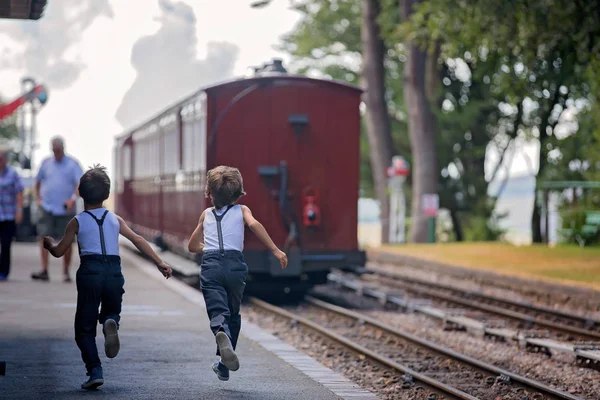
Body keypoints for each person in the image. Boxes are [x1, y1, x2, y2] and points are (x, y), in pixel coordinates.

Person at [43, 164, 173, 390]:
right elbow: (138, 240)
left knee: (84, 328)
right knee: (111, 309)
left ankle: (94, 370)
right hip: (114, 272)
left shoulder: (77, 221)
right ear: (107, 194)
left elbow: (59, 251)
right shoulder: (115, 219)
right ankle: (111, 320)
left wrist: (49, 244)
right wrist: (160, 262)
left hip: (90, 272)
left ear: (81, 193)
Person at [187, 165, 288, 381]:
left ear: (210, 192)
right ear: (238, 191)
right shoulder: (243, 211)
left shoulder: (206, 215)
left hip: (212, 265)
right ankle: (224, 363)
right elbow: (255, 225)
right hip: (235, 265)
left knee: (218, 310)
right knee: (233, 312)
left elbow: (192, 246)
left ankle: (220, 331)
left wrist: (208, 247)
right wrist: (275, 250)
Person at [32, 136, 83, 282]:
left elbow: (79, 183)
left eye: (58, 150)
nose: (56, 153)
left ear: (63, 149)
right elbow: (38, 180)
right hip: (47, 207)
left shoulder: (72, 164)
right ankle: (44, 269)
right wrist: (38, 198)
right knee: (44, 237)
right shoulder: (46, 163)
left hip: (65, 208)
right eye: (54, 150)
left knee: (66, 240)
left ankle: (65, 270)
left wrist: (72, 199)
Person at [0, 147, 24, 281]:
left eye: (1, 159)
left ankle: (3, 271)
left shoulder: (12, 173)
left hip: (8, 215)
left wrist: (19, 210)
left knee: (6, 244)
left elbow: (19, 192)